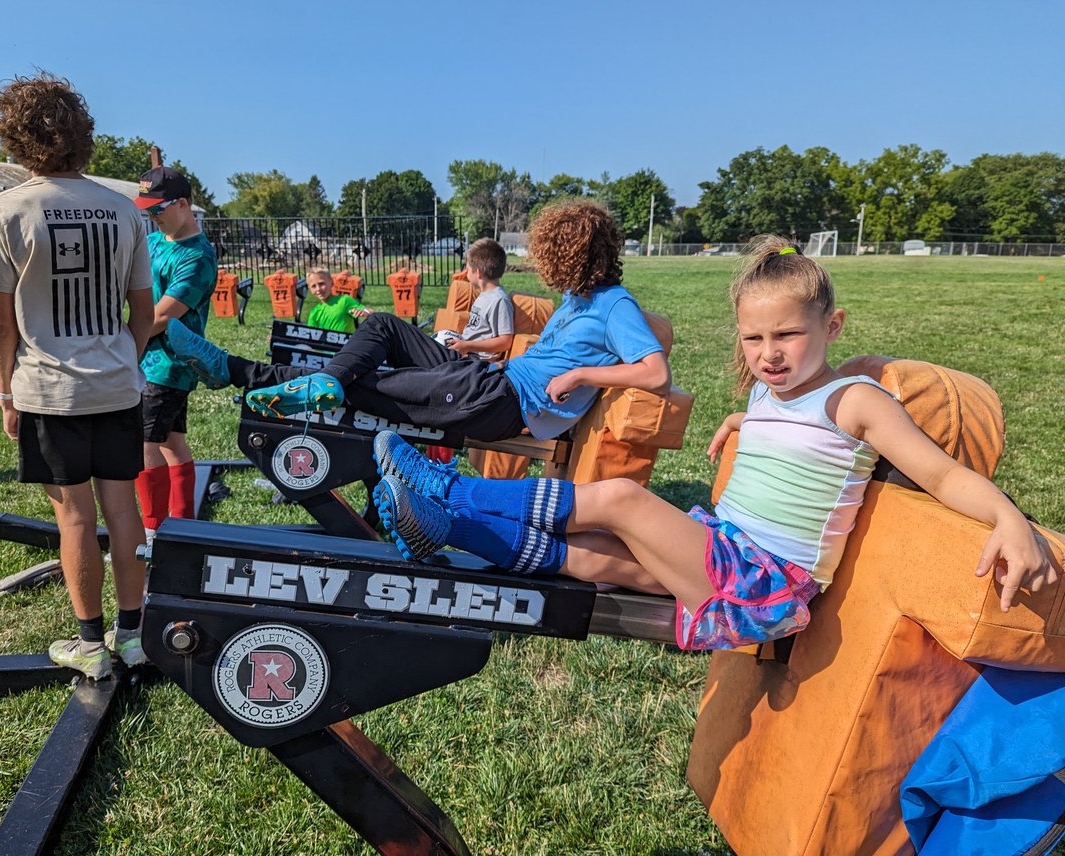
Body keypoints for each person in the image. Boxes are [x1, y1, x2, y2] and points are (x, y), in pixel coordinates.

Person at [369, 236, 1058, 651]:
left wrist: (1009, 519)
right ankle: (444, 525)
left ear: (833, 325)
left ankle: (448, 488)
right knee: (587, 559)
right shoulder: (769, 393)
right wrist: (741, 424)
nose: (770, 354)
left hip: (768, 586)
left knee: (619, 500)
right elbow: (790, 438)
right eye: (754, 340)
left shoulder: (855, 400)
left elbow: (941, 475)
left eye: (787, 336)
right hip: (728, 557)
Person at [166, 199, 670, 444]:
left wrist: (581, 375)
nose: (545, 266)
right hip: (486, 378)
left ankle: (233, 369)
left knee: (370, 384)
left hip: (499, 401)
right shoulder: (575, 298)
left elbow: (654, 372)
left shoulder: (614, 304)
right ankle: (322, 380)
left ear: (577, 256)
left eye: (553, 256)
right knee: (384, 325)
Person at [0, 74, 154, 679]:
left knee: (74, 518)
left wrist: (5, 392)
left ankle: (90, 645)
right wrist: (123, 358)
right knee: (122, 509)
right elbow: (143, 311)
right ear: (84, 137)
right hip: (118, 384)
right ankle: (134, 636)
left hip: (48, 390)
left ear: (14, 137)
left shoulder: (3, 211)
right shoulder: (125, 210)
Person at [132, 166, 218, 537]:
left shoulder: (197, 257)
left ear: (183, 204)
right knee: (171, 442)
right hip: (150, 360)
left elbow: (163, 315)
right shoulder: (154, 242)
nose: (151, 217)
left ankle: (154, 534)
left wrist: (119, 346)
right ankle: (183, 529)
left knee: (144, 444)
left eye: (158, 209)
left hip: (166, 365)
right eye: (146, 210)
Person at [443, 237, 514, 361]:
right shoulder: (483, 295)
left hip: (475, 360)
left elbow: (505, 341)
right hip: (466, 352)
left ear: (478, 273)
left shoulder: (499, 300)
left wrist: (467, 346)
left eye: (468, 268)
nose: (465, 272)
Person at [304, 267, 371, 333]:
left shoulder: (344, 301)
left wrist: (364, 313)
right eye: (313, 286)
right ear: (310, 289)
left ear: (331, 283)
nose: (318, 289)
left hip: (348, 343)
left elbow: (371, 313)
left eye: (321, 284)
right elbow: (312, 336)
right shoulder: (314, 313)